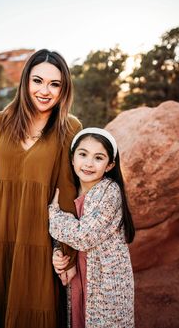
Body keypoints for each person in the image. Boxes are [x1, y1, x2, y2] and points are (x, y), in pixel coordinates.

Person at [0, 49, 82, 328]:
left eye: (55, 84)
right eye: (38, 81)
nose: (45, 91)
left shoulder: (69, 127)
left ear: (64, 89)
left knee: (36, 310)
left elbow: (67, 191)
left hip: (38, 236)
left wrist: (67, 252)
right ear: (26, 81)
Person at [49, 127, 135, 328]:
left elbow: (83, 236)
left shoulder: (109, 192)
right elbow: (63, 236)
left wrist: (52, 214)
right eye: (83, 154)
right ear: (72, 158)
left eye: (98, 158)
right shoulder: (70, 190)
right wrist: (57, 251)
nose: (88, 163)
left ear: (109, 165)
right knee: (78, 318)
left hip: (104, 279)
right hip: (79, 273)